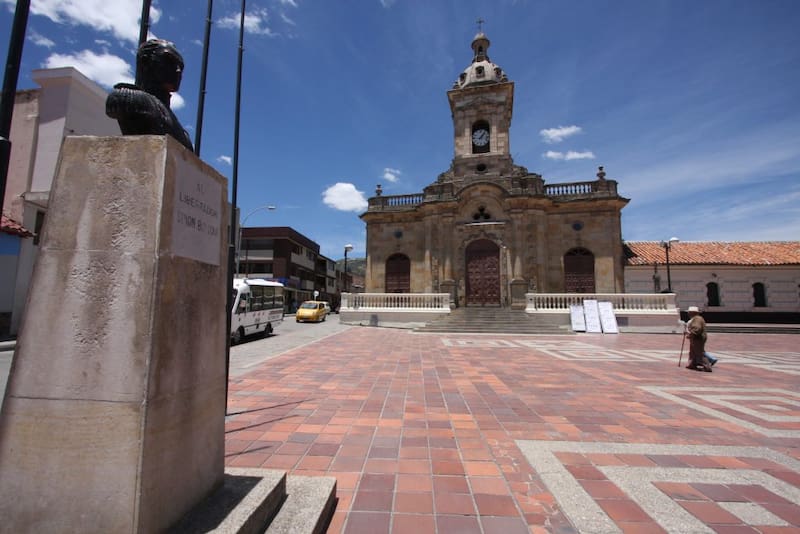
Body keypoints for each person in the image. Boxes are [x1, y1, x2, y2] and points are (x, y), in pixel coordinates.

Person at [106, 39, 193, 151]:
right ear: (145, 62)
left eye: (181, 66)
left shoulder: (183, 133)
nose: (178, 70)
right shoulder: (130, 99)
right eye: (169, 61)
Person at [685, 306, 713, 372]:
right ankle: (692, 364)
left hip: (697, 338)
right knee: (692, 352)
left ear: (692, 313)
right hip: (696, 337)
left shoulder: (697, 319)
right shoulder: (696, 318)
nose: (688, 314)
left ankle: (707, 366)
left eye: (689, 313)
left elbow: (697, 328)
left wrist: (690, 334)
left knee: (699, 352)